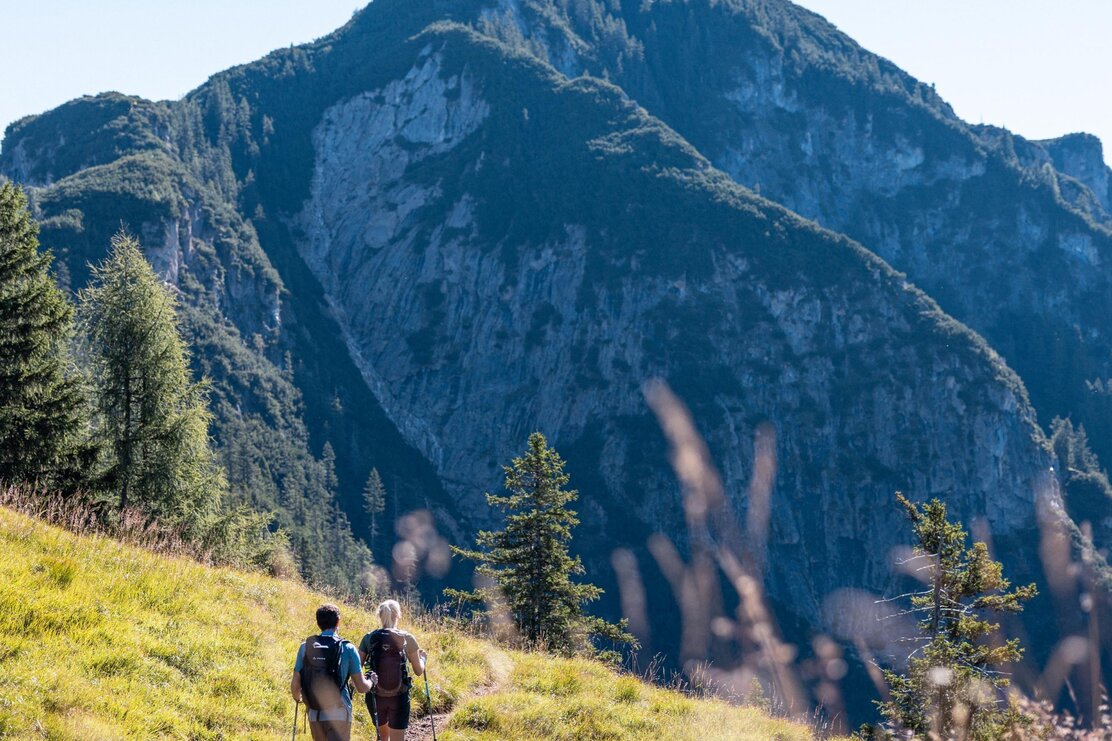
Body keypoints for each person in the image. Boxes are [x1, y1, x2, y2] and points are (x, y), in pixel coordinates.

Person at [291, 604, 377, 741]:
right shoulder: (347, 648)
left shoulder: (305, 647)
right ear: (338, 622)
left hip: (315, 713)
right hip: (340, 713)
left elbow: (295, 685)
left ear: (318, 623)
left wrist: (299, 698)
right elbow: (361, 687)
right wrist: (371, 681)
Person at [359, 599, 428, 741]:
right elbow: (418, 671)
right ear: (398, 616)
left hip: (375, 696)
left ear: (379, 615)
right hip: (399, 697)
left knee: (383, 738)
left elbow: (357, 666)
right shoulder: (407, 638)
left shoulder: (369, 638)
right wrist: (423, 659)